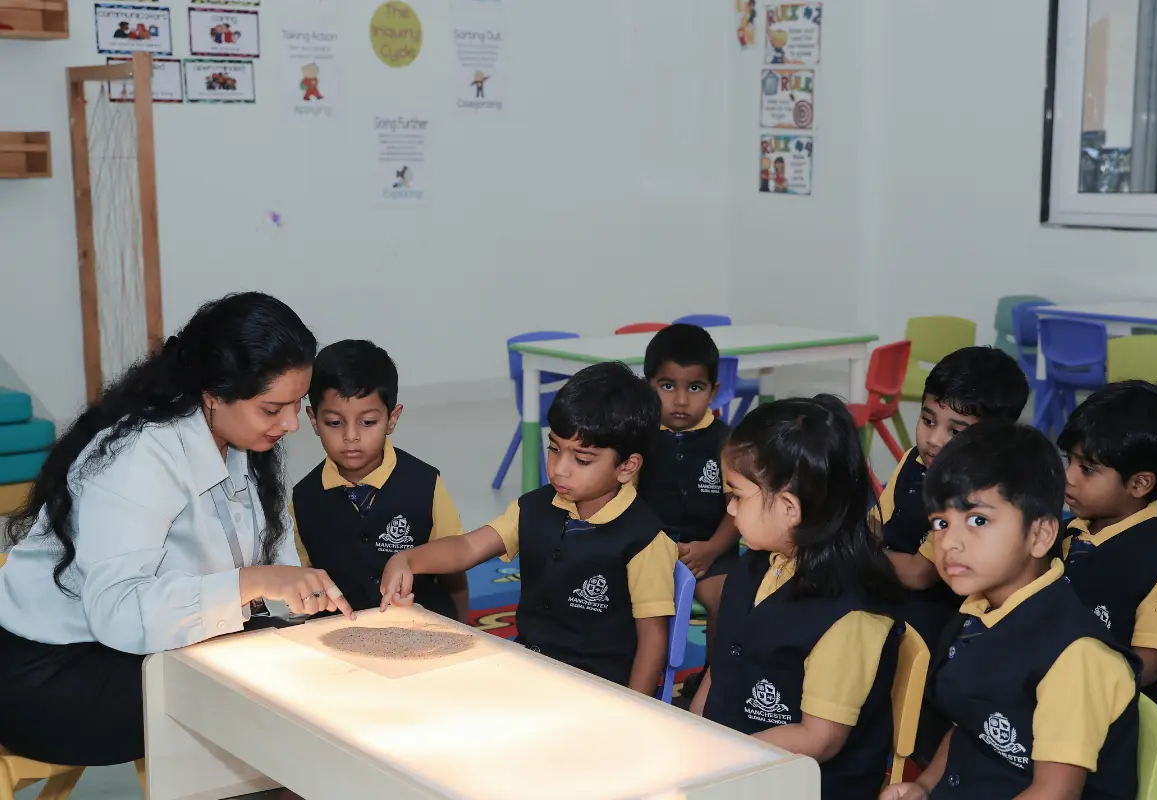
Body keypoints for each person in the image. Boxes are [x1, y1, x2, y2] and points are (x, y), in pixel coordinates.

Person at [0, 292, 353, 768]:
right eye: (273, 409)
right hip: (52, 675)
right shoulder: (140, 454)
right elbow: (118, 613)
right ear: (213, 394)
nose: (291, 424)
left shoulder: (241, 439)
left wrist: (301, 604)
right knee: (256, 699)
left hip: (134, 647)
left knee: (313, 670)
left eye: (296, 405)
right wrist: (254, 584)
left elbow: (275, 568)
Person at [379, 362, 677, 695]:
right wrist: (408, 560)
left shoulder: (645, 539)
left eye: (582, 459)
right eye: (554, 448)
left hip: (599, 690)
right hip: (532, 670)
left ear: (627, 467)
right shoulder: (533, 508)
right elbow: (468, 548)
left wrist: (634, 710)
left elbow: (653, 640)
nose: (559, 469)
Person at [883, 422, 1138, 800]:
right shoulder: (980, 612)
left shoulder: (1075, 657)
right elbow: (975, 726)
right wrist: (922, 786)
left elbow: (1054, 794)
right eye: (940, 522)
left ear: (1040, 535)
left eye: (978, 520)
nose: (949, 542)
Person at [692, 397, 905, 798]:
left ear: (790, 508)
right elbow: (720, 670)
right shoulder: (756, 565)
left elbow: (819, 738)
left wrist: (721, 763)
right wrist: (694, 739)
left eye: (737, 495)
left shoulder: (852, 613)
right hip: (736, 768)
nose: (730, 509)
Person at [292, 340, 468, 621]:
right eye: (335, 423)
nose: (351, 436)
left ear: (392, 419)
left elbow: (455, 567)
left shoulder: (425, 483)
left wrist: (462, 624)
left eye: (368, 422)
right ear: (314, 420)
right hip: (342, 637)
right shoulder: (302, 498)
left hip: (422, 628)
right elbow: (302, 581)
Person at [1059, 380, 1157, 698]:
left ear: (1139, 484)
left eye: (1087, 469)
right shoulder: (1070, 533)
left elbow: (1142, 670)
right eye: (1069, 461)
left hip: (1102, 719)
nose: (1068, 476)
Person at [879, 346, 1029, 610]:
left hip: (935, 611)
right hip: (885, 581)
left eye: (955, 432)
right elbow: (875, 525)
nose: (934, 440)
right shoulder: (912, 460)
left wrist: (857, 556)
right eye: (928, 420)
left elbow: (918, 575)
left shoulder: (979, 496)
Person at [637, 325, 739, 684]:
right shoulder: (639, 437)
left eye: (694, 388)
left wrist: (711, 549)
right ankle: (637, 675)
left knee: (728, 600)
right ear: (647, 385)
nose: (681, 401)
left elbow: (738, 507)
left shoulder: (727, 443)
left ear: (714, 391)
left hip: (711, 549)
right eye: (668, 386)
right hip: (650, 549)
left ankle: (713, 681)